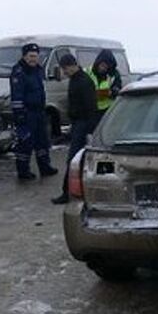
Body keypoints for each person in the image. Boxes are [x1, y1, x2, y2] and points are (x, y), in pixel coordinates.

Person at [51, 54, 98, 205]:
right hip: (78, 123)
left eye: (65, 69)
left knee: (73, 160)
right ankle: (77, 190)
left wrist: (89, 130)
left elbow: (90, 107)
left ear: (72, 65)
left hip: (83, 124)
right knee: (78, 160)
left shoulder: (84, 82)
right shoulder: (76, 80)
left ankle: (68, 192)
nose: (64, 72)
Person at [10, 43, 58, 181]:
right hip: (26, 113)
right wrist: (19, 115)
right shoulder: (19, 72)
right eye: (31, 56)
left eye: (36, 56)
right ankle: (23, 171)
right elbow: (17, 95)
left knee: (42, 141)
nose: (33, 59)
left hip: (39, 112)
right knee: (25, 142)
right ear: (24, 56)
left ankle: (45, 167)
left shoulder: (38, 70)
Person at [87, 49, 123, 123]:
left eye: (106, 67)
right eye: (102, 65)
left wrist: (110, 93)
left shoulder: (113, 74)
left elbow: (118, 90)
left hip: (108, 111)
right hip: (91, 110)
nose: (103, 68)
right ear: (98, 62)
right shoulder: (88, 72)